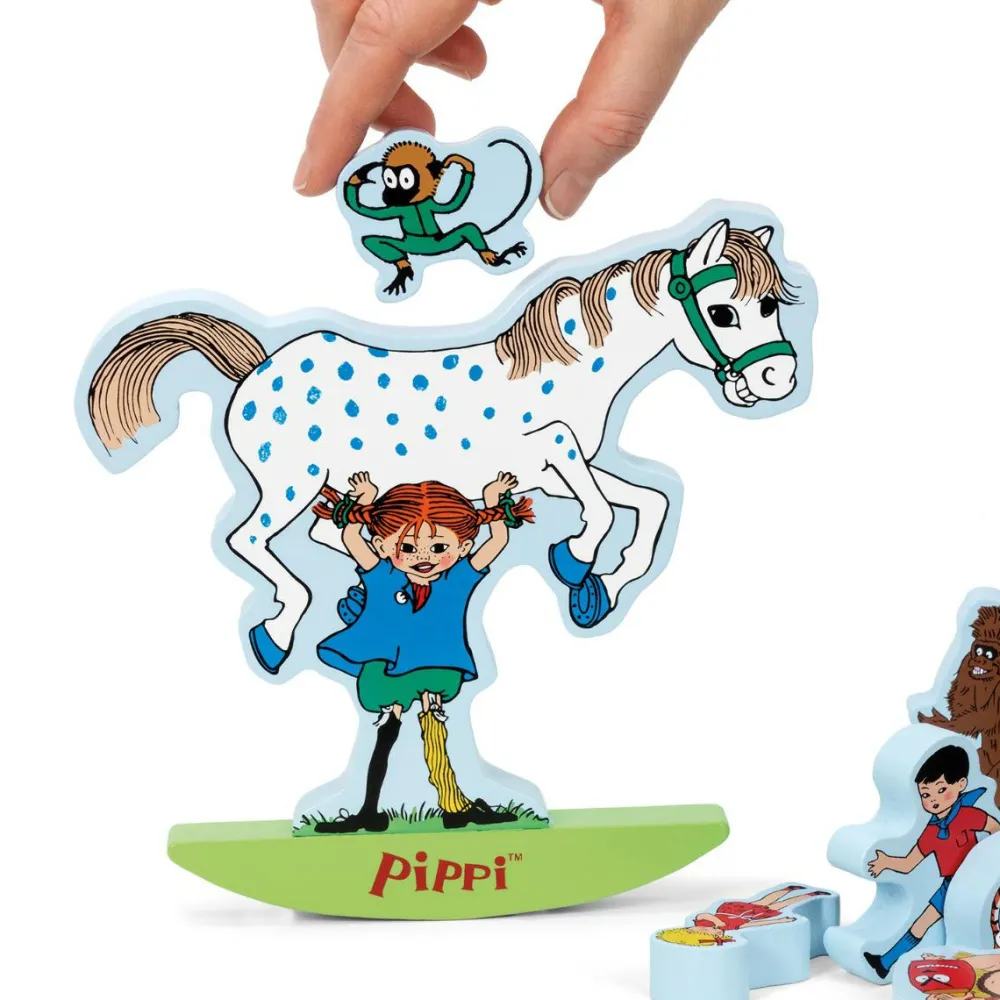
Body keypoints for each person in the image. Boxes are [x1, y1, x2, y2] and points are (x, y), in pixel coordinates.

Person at [294, 0, 730, 219]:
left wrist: (463, 176)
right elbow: (379, 210)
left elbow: (454, 206)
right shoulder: (413, 208)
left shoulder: (437, 202)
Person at [311, 470, 533, 833]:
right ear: (382, 546)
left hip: (436, 663)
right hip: (390, 666)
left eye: (440, 548)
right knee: (387, 733)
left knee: (435, 729)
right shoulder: (383, 576)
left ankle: (453, 805)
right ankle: (368, 810)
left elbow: (497, 540)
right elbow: (351, 535)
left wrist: (493, 499)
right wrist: (365, 498)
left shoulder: (458, 578)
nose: (424, 558)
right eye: (408, 548)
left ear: (462, 547)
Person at [864, 746, 1000, 980]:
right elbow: (909, 864)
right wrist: (886, 862)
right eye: (925, 795)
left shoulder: (967, 815)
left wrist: (987, 865)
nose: (933, 799)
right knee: (920, 924)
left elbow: (995, 830)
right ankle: (884, 963)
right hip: (949, 885)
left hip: (975, 884)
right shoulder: (930, 832)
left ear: (961, 784)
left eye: (941, 789)